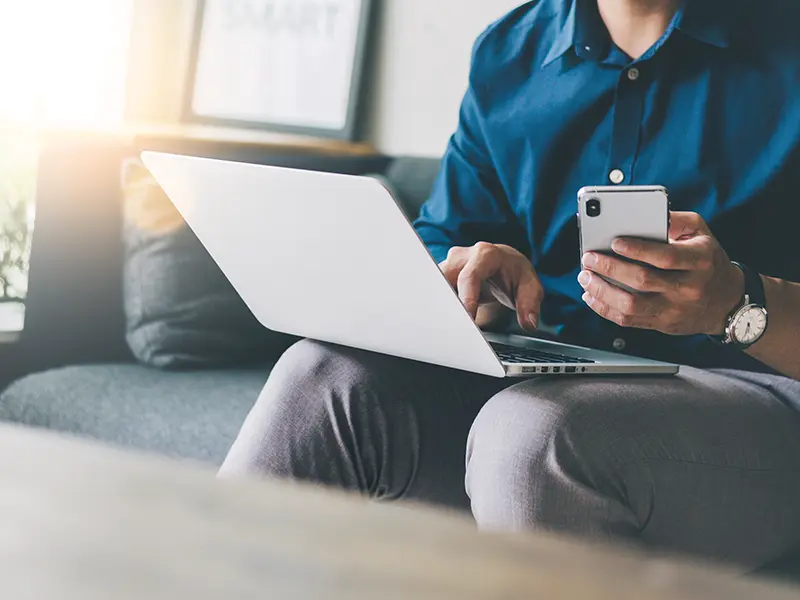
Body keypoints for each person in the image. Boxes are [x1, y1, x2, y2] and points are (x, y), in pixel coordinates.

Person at [219, 0, 800, 570]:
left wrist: (736, 303)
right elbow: (443, 253)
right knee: (321, 376)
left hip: (758, 396)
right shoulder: (508, 52)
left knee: (535, 432)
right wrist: (475, 291)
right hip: (564, 374)